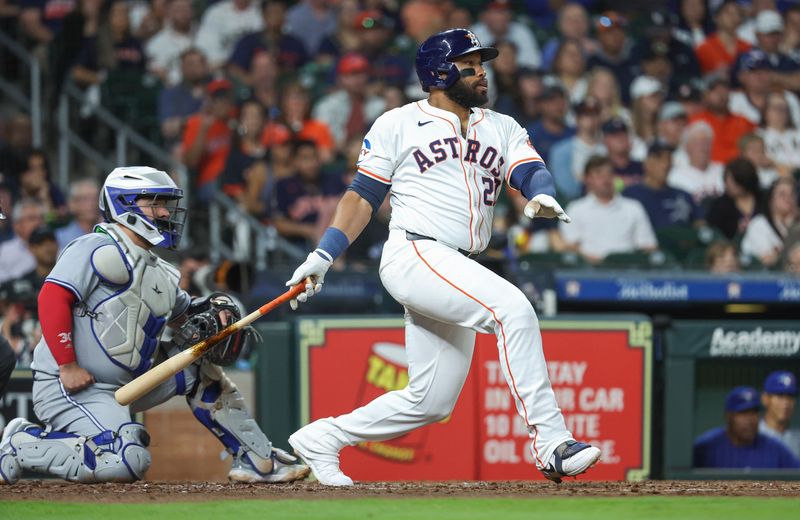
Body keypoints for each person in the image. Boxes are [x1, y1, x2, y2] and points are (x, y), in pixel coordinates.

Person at [282, 28, 601, 487]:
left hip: (459, 264)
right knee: (513, 310)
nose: (481, 72)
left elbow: (530, 169)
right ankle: (551, 443)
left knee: (430, 400)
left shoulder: (502, 125)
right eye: (469, 64)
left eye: (481, 63)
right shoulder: (397, 123)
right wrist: (323, 254)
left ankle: (324, 438)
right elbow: (362, 197)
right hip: (415, 250)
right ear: (438, 72)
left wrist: (542, 194)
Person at [0, 166, 309, 485]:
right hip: (70, 386)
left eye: (167, 203)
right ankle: (22, 445)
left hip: (127, 384)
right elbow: (52, 298)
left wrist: (216, 316)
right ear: (125, 204)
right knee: (127, 460)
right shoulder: (94, 247)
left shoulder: (161, 271)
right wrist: (68, 365)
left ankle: (256, 458)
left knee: (198, 361)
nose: (165, 212)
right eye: (155, 202)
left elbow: (186, 317)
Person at [559, 155, 658, 264]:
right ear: (587, 179)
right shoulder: (575, 209)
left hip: (628, 269)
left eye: (609, 173)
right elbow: (569, 247)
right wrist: (596, 262)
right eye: (598, 174)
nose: (605, 179)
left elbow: (649, 246)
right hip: (588, 270)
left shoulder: (634, 208)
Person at [693, 385, 800, 469]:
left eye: (754, 412)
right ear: (729, 416)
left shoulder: (775, 449)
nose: (750, 420)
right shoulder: (706, 448)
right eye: (743, 413)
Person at [623, 142, 701, 232]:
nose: (665, 164)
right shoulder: (630, 195)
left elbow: (700, 224)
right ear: (646, 163)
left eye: (669, 159)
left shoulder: (684, 195)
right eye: (659, 158)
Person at [740, 177, 797, 267]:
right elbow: (767, 261)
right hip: (762, 277)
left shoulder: (796, 224)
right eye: (782, 194)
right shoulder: (759, 224)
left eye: (792, 194)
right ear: (770, 200)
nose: (788, 198)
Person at [706, 158, 764, 240]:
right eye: (726, 180)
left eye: (733, 182)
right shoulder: (720, 206)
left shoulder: (764, 199)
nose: (727, 185)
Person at [760, 371, 800, 458]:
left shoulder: (797, 440)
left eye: (790, 396)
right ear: (765, 399)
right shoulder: (750, 436)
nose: (786, 403)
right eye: (780, 396)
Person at [55, 179, 102, 249]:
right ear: (72, 204)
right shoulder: (60, 237)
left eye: (95, 198)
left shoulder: (107, 233)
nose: (92, 204)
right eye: (85, 199)